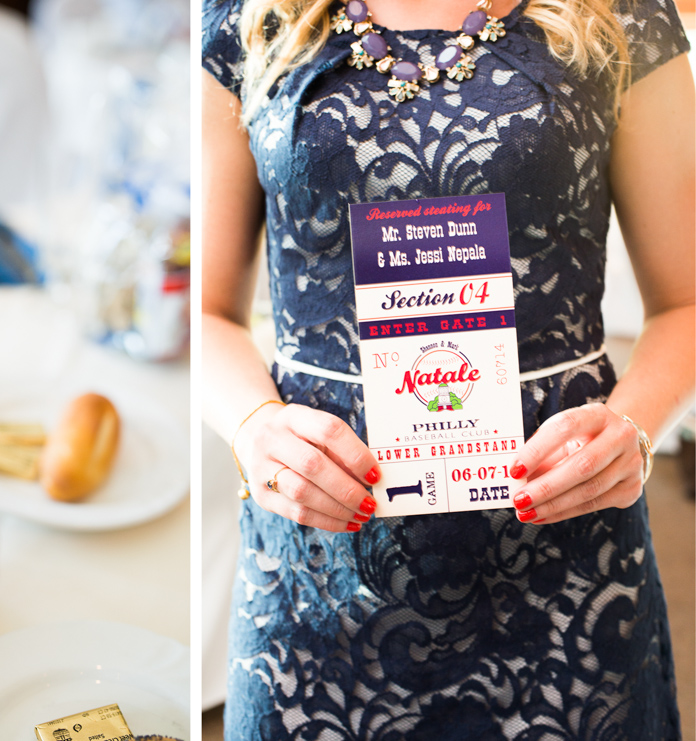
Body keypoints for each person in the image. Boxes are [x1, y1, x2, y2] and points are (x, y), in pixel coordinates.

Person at [202, 0, 694, 737]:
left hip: (568, 568)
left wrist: (636, 426)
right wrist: (252, 427)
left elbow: (686, 300)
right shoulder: (247, 14)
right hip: (316, 574)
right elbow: (204, 310)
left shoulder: (622, 10)